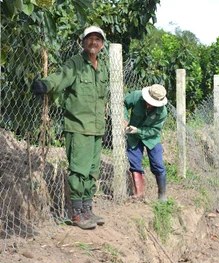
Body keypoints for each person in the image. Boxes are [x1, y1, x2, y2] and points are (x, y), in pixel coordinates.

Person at [30, 26, 108, 229]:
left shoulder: (103, 68)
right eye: (89, 38)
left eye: (97, 39)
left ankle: (87, 209)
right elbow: (61, 76)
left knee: (92, 172)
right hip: (79, 127)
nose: (93, 42)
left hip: (97, 128)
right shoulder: (75, 63)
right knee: (79, 171)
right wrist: (45, 85)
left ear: (102, 44)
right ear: (83, 42)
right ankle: (76, 214)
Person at [124, 84, 168, 202]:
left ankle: (162, 195)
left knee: (158, 164)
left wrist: (138, 131)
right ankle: (139, 193)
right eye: (148, 102)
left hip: (151, 138)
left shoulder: (162, 112)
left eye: (152, 104)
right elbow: (122, 103)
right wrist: (123, 119)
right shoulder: (136, 96)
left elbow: (154, 130)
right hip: (133, 136)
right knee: (134, 161)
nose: (149, 105)